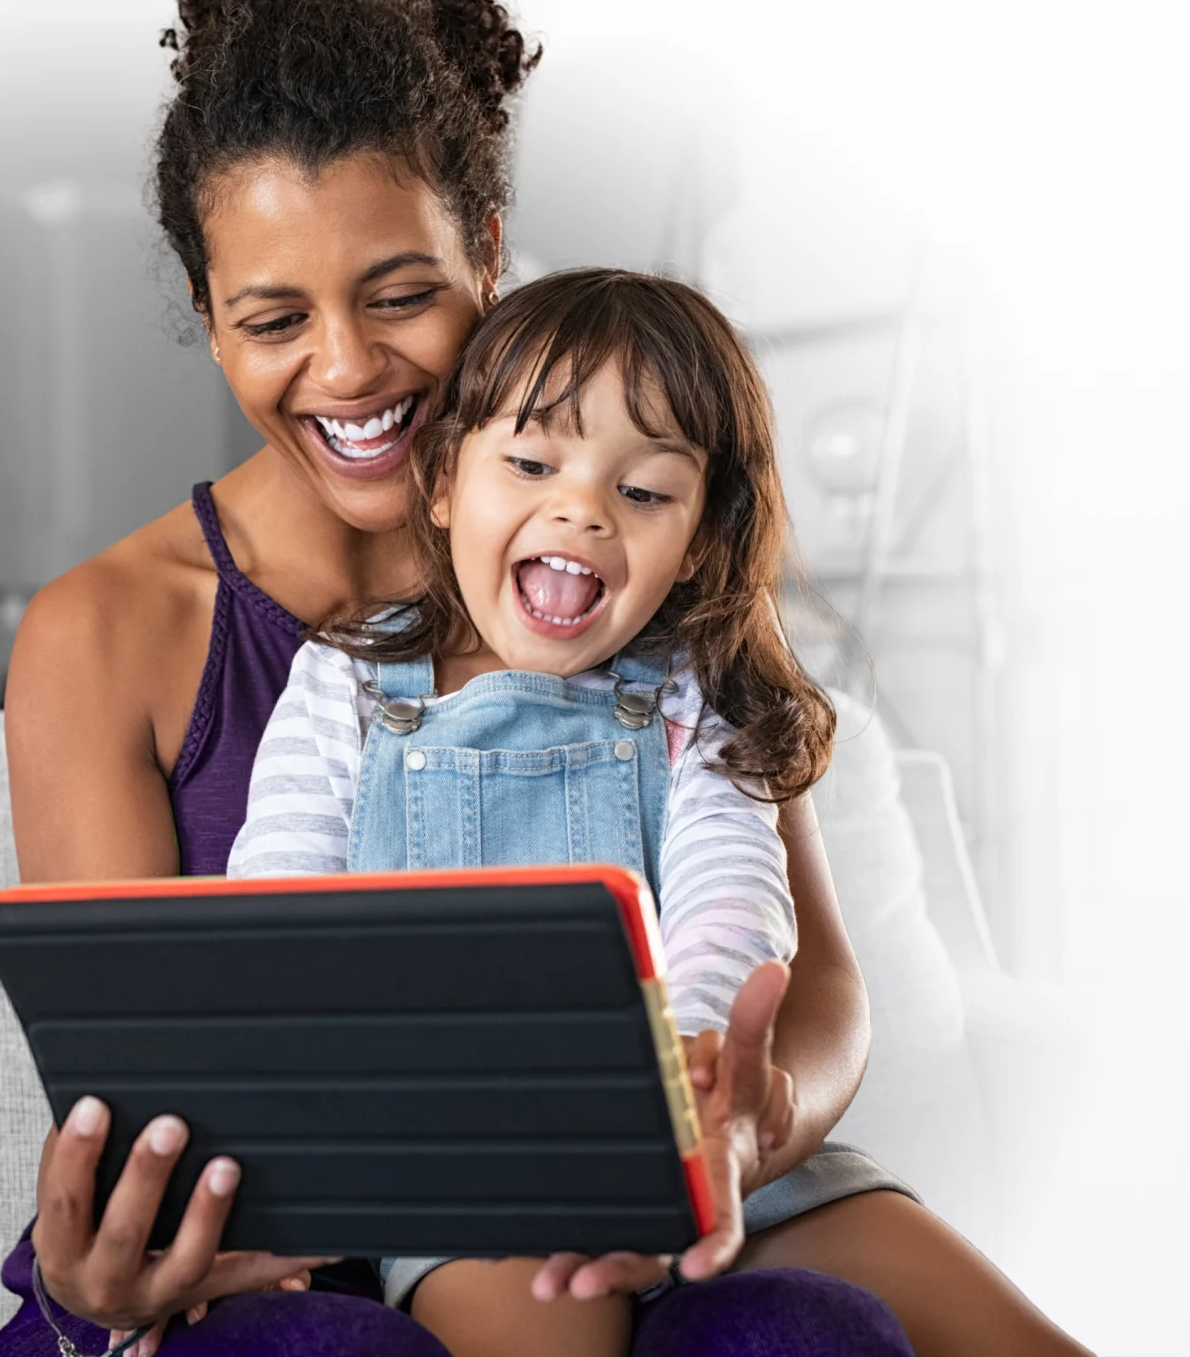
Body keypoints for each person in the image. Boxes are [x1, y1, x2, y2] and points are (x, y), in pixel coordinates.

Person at [0, 0, 1088, 1357]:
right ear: (207, 309)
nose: (348, 371)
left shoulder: (641, 568)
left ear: (488, 249)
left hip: (699, 1171)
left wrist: (739, 1129)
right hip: (350, 1217)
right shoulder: (113, 631)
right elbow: (153, 1067)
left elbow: (811, 976)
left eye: (403, 295)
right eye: (271, 321)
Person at [225, 266, 883, 1348]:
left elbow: (735, 907)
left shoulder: (691, 691)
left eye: (645, 489)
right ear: (443, 481)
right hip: (479, 1170)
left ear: (702, 540)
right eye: (531, 462)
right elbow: (273, 931)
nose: (580, 506)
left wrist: (680, 1101)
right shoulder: (343, 683)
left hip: (710, 1141)